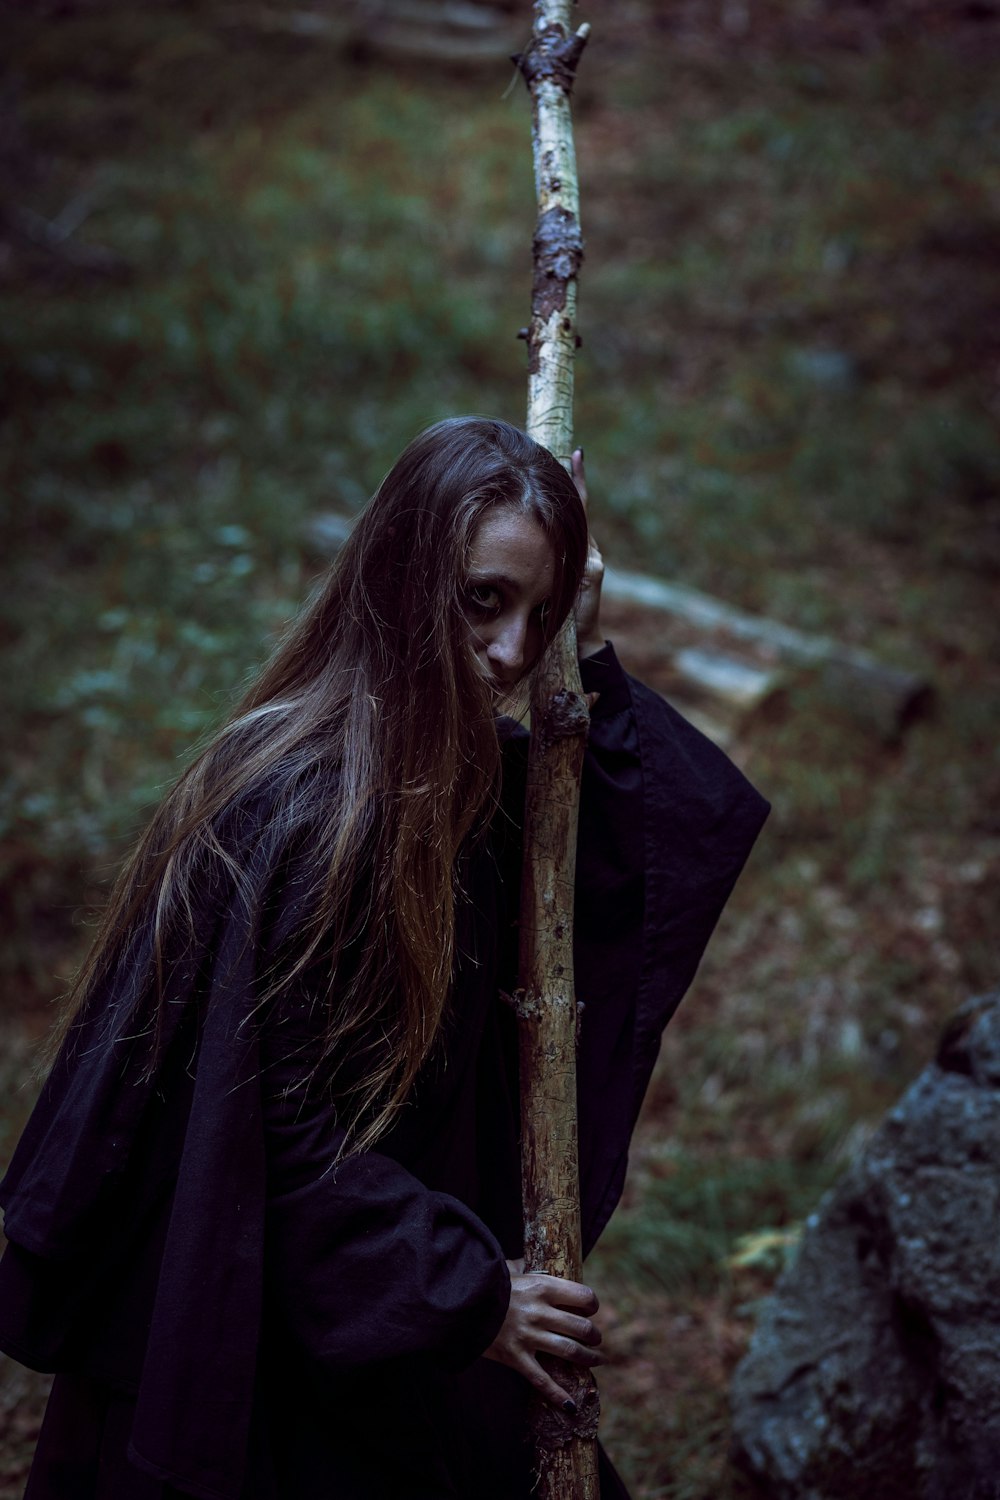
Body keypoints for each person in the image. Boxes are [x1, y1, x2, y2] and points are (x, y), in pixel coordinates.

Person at [0, 417, 769, 1499]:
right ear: (401, 581)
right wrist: (463, 1292)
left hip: (382, 1302)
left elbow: (641, 847)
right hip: (280, 1334)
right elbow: (268, 1133)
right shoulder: (306, 806)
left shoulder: (448, 767)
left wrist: (585, 651)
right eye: (482, 601)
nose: (510, 654)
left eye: (536, 614)